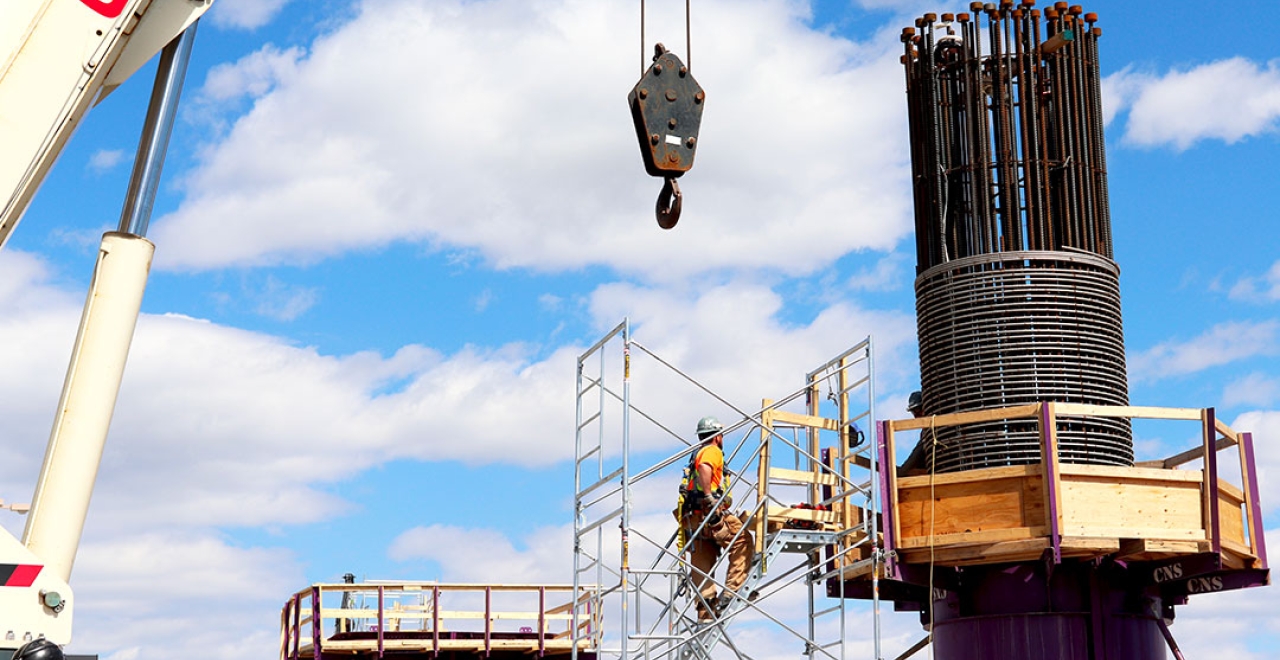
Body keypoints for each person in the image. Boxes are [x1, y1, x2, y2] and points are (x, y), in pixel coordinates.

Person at [681, 416, 754, 621]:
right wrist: (709, 497)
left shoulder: (696, 454)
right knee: (742, 540)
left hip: (692, 519)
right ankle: (733, 590)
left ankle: (706, 611)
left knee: (701, 563)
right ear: (717, 436)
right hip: (708, 512)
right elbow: (706, 466)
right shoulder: (711, 450)